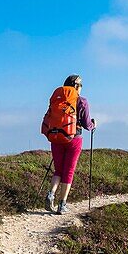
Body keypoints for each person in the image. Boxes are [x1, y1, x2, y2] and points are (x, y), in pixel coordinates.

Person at [43, 74, 96, 214]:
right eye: (81, 85)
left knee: (58, 170)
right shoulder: (82, 101)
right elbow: (86, 124)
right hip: (74, 138)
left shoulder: (57, 100)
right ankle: (62, 205)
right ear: (76, 86)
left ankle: (51, 194)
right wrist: (93, 125)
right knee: (69, 172)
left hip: (56, 138)